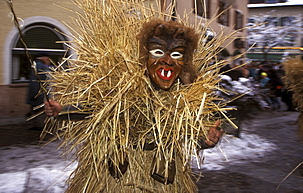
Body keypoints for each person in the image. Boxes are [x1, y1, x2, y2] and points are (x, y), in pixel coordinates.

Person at [44, 18, 225, 192]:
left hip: (162, 180)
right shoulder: (125, 86)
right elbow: (94, 110)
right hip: (116, 178)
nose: (168, 61)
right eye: (157, 52)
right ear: (144, 55)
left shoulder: (187, 97)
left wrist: (207, 138)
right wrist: (61, 110)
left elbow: (194, 134)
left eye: (177, 54)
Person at [26, 52, 51, 130]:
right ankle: (40, 125)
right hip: (38, 93)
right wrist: (36, 93)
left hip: (36, 92)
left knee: (37, 109)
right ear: (42, 57)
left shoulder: (36, 65)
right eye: (47, 57)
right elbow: (37, 81)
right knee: (39, 110)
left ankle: (38, 125)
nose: (48, 59)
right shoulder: (39, 66)